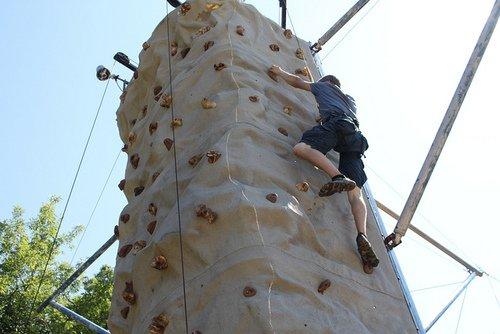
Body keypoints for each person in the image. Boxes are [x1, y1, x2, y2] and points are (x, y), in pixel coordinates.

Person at [268, 65, 379, 274]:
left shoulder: (323, 87)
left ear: (327, 83)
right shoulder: (350, 101)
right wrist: (322, 116)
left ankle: (336, 176)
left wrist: (279, 71)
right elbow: (337, 110)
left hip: (337, 124)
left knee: (302, 148)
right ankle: (362, 235)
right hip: (355, 137)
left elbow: (297, 81)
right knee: (356, 193)